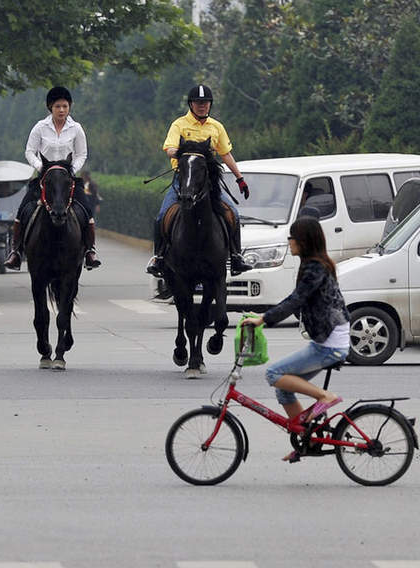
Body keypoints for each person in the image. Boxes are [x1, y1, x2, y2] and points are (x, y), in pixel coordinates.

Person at [240, 217, 350, 462]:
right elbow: (295, 298)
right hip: (328, 340)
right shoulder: (314, 265)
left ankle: (325, 397)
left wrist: (263, 319)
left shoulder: (316, 268)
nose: (289, 241)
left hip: (330, 344)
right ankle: (307, 439)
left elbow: (295, 300)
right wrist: (264, 315)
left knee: (273, 374)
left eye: (293, 237)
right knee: (283, 390)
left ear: (304, 241)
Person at [146, 84, 254, 278]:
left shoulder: (217, 127)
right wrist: (185, 152)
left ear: (210, 104)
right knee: (161, 216)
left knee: (234, 213)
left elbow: (226, 154)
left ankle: (236, 256)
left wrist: (240, 178)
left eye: (205, 102)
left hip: (208, 182)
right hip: (183, 180)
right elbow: (169, 149)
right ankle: (158, 257)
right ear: (191, 104)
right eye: (198, 102)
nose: (202, 106)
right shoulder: (179, 124)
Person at [5, 86, 101, 271]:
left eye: (65, 106)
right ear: (50, 107)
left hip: (67, 179)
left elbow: (82, 154)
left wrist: (71, 169)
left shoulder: (76, 129)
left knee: (86, 210)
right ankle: (15, 252)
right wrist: (40, 167)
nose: (62, 110)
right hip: (44, 179)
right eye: (58, 106)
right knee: (23, 209)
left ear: (69, 107)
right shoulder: (40, 127)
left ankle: (90, 251)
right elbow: (29, 151)